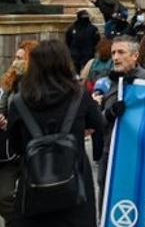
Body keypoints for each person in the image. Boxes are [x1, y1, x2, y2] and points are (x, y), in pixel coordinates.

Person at [6, 39, 104, 227]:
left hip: (35, 188)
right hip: (75, 190)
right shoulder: (79, 96)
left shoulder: (19, 102)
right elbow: (98, 124)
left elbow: (16, 145)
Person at [94, 36, 145, 197]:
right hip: (110, 152)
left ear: (135, 56)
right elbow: (96, 123)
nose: (115, 57)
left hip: (137, 152)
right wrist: (109, 113)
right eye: (113, 53)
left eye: (121, 52)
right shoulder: (105, 82)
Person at [0, 40, 36, 225]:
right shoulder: (10, 81)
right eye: (15, 57)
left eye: (20, 58)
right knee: (4, 196)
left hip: (30, 148)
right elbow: (3, 107)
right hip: (9, 148)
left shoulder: (38, 86)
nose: (15, 61)